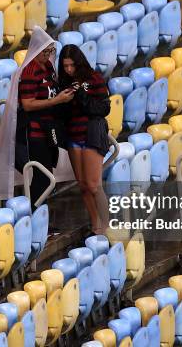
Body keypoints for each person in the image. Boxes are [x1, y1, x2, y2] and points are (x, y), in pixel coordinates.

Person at [0, 27, 75, 208]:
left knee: (46, 176)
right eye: (44, 52)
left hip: (49, 129)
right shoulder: (29, 72)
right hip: (34, 133)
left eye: (50, 51)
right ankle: (33, 215)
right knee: (42, 177)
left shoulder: (47, 67)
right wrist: (57, 100)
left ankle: (40, 219)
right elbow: (28, 104)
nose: (47, 55)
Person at [58, 45, 111, 234]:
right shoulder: (64, 81)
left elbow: (104, 108)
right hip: (73, 136)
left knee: (94, 184)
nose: (69, 70)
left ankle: (106, 226)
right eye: (65, 66)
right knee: (82, 185)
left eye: (72, 65)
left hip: (91, 135)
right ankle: (96, 224)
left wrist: (81, 95)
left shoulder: (93, 78)